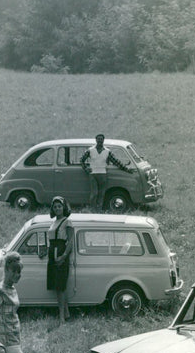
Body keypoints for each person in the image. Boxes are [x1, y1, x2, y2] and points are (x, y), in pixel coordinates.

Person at [80, 134, 134, 211]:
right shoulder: (90, 150)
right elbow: (81, 160)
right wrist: (86, 168)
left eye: (101, 139)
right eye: (98, 139)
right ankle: (92, 210)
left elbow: (116, 162)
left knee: (101, 194)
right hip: (93, 174)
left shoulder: (107, 151)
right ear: (96, 140)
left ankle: (99, 210)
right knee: (94, 194)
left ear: (103, 140)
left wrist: (127, 169)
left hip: (103, 174)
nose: (100, 141)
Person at [46, 196, 74, 325]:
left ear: (64, 207)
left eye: (59, 206)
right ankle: (67, 314)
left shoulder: (67, 222)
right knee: (57, 286)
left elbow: (70, 242)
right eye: (55, 207)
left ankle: (61, 316)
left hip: (61, 253)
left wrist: (63, 257)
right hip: (52, 253)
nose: (57, 209)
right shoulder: (53, 223)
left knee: (60, 286)